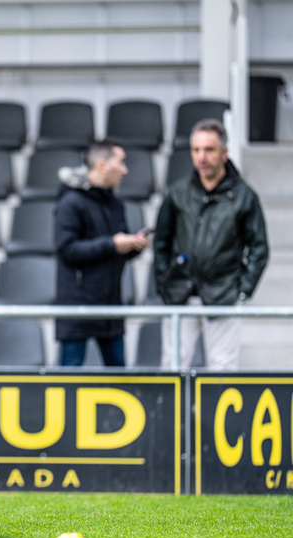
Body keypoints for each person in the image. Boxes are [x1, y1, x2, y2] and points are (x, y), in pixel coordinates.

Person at [154, 119, 268, 370]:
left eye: (209, 149)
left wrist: (242, 290)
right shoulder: (178, 192)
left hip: (223, 295)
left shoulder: (243, 196)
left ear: (224, 152)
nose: (201, 157)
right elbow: (161, 240)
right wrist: (164, 280)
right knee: (173, 367)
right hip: (179, 293)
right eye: (196, 150)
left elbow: (259, 248)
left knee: (222, 369)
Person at [54, 140, 149, 366]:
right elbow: (66, 249)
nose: (125, 170)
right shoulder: (71, 202)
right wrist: (113, 244)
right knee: (68, 382)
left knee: (119, 379)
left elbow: (113, 251)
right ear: (102, 165)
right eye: (121, 163)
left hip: (110, 309)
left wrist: (132, 247)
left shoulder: (116, 204)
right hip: (78, 310)